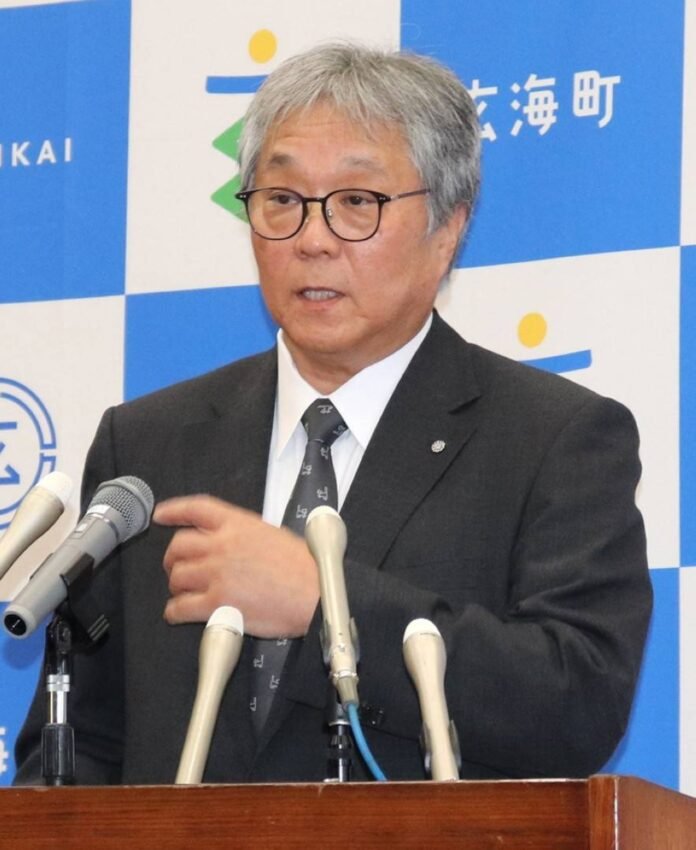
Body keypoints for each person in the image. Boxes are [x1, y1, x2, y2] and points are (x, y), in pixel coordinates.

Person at [14, 42, 651, 784]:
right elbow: (79, 746)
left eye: (357, 202)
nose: (312, 240)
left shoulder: (554, 437)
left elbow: (577, 708)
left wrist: (321, 604)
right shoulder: (149, 445)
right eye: (282, 201)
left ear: (448, 229)